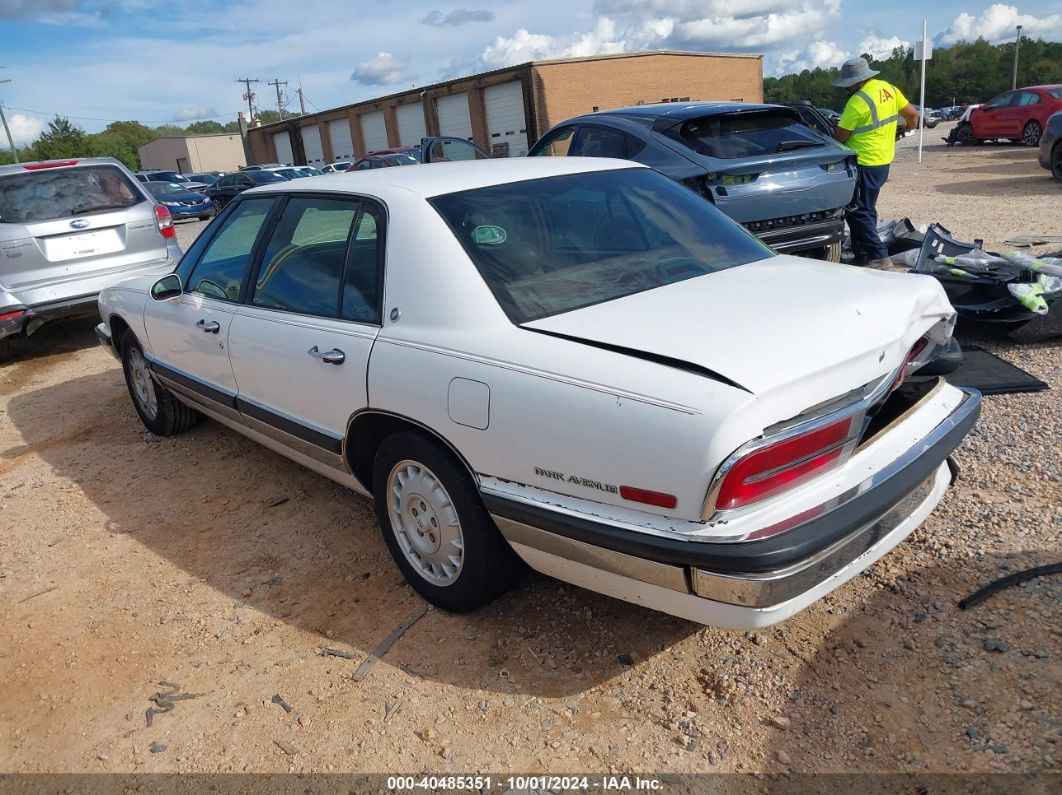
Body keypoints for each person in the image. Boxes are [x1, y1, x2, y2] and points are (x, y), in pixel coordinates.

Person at [832, 57, 918, 268]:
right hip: (883, 161)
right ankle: (862, 255)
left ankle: (879, 257)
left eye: (848, 84)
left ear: (858, 81)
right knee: (865, 209)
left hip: (864, 162)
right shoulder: (889, 90)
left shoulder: (857, 101)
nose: (847, 89)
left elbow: (841, 136)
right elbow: (913, 115)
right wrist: (903, 129)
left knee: (859, 211)